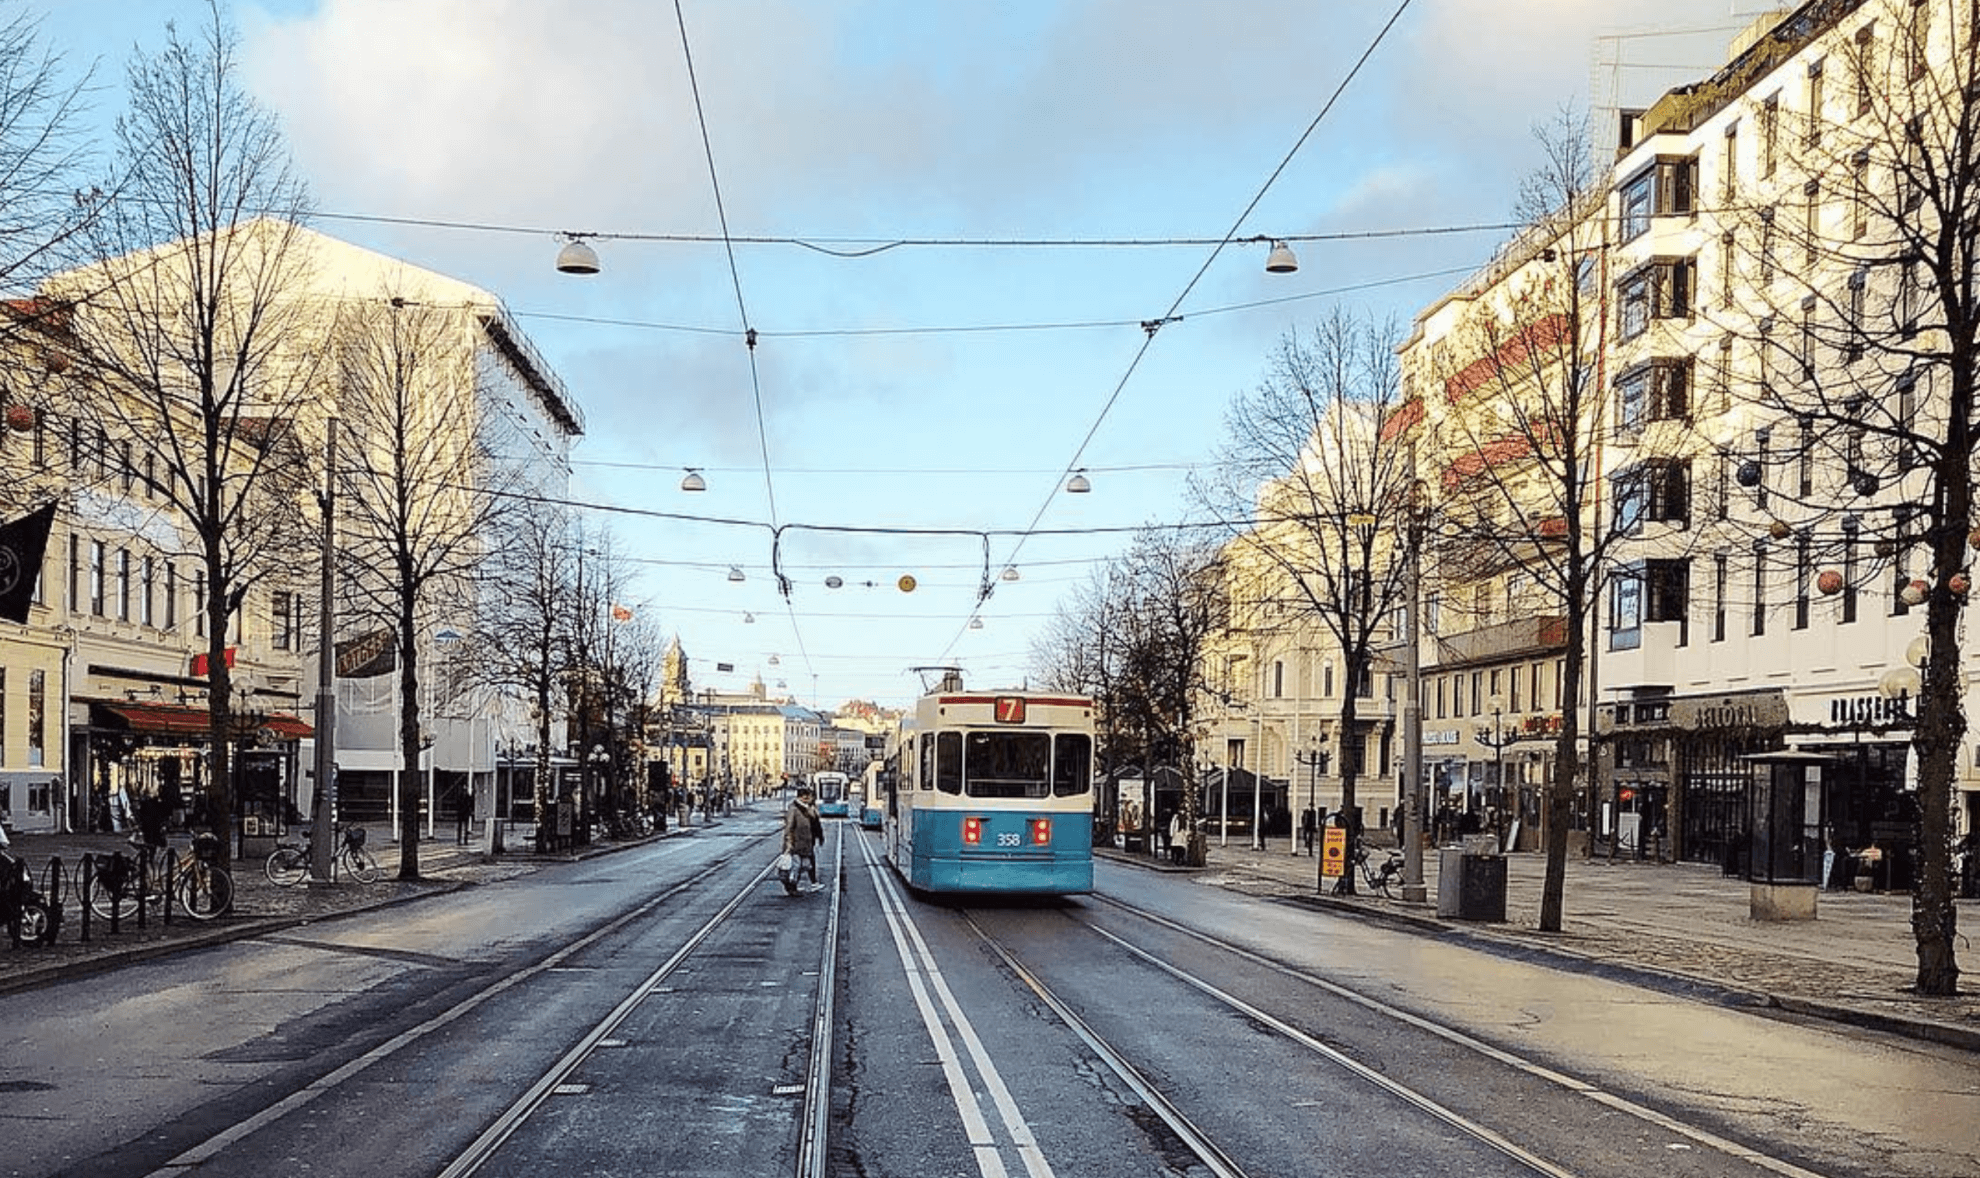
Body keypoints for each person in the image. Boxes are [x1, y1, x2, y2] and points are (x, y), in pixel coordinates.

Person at [782, 786, 825, 894]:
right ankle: (792, 887)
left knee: (804, 865)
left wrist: (819, 836)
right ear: (803, 797)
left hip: (806, 843)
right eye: (809, 797)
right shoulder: (794, 809)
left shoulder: (809, 808)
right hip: (796, 842)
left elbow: (815, 824)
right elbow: (789, 827)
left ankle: (795, 886)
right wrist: (788, 844)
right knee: (796, 866)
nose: (811, 798)